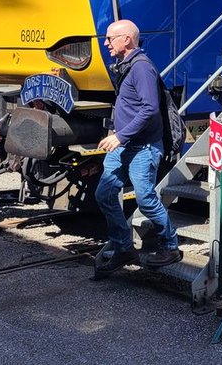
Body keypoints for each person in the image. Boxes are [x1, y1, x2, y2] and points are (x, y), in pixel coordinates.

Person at [94, 19, 180, 272]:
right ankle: (123, 246)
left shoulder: (141, 68)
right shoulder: (125, 65)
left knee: (145, 199)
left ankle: (170, 246)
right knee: (104, 194)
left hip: (142, 147)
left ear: (127, 40)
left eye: (110, 38)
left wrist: (120, 136)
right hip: (124, 144)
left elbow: (150, 109)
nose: (106, 43)